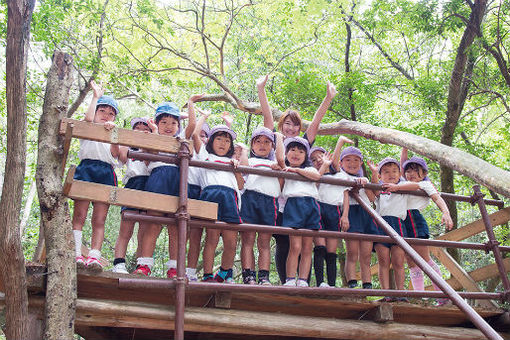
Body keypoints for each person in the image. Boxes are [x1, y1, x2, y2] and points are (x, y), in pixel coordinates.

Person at [257, 74, 337, 284]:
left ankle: (303, 282)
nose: (291, 129)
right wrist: (261, 90)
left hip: (302, 200)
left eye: (295, 125)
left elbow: (316, 123)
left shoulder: (303, 144)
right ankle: (287, 281)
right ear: (281, 125)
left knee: (305, 246)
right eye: (287, 124)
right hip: (281, 200)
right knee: (285, 243)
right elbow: (266, 117)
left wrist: (328, 98)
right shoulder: (275, 140)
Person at [133, 96, 198, 276]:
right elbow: (149, 155)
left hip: (178, 181)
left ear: (178, 126)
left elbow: (192, 126)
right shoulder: (153, 139)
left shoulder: (180, 139)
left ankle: (175, 267)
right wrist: (154, 132)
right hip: (158, 178)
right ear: (157, 124)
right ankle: (144, 264)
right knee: (153, 223)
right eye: (164, 122)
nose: (169, 126)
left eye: (173, 123)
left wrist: (190, 103)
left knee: (176, 226)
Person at [387, 148, 453, 304]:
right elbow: (403, 164)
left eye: (416, 171)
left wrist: (446, 213)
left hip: (415, 220)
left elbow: (438, 199)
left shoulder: (425, 184)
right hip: (402, 221)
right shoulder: (404, 182)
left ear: (423, 174)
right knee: (410, 261)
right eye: (408, 171)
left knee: (424, 260)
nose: (411, 174)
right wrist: (403, 146)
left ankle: (443, 296)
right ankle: (419, 296)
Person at [72, 81, 120, 271]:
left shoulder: (113, 132)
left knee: (99, 219)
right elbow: (87, 118)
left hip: (106, 172)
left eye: (111, 113)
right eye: (103, 111)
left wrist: (114, 133)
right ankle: (76, 252)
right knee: (80, 214)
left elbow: (116, 154)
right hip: (86, 169)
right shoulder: (88, 128)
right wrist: (95, 97)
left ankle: (94, 256)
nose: (106, 116)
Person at [192, 123, 245, 283]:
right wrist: (204, 116)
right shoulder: (205, 156)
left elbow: (241, 185)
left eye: (227, 141)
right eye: (219, 139)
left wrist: (236, 168)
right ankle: (208, 274)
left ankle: (223, 272)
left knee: (231, 241)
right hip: (211, 195)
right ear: (211, 141)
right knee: (212, 238)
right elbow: (195, 134)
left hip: (230, 198)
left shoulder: (232, 162)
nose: (223, 143)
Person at [239, 127, 284, 285]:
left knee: (264, 241)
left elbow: (281, 160)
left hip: (269, 201)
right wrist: (244, 151)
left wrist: (278, 137)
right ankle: (248, 274)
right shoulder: (250, 161)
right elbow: (243, 168)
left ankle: (263, 276)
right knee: (248, 239)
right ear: (252, 145)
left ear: (272, 146)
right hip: (250, 198)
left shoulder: (275, 163)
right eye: (257, 141)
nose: (262, 145)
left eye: (266, 142)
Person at [309, 136, 353, 287]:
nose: (318, 161)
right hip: (318, 209)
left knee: (331, 251)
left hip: (334, 211)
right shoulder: (316, 176)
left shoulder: (340, 175)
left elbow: (346, 197)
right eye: (313, 160)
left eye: (320, 156)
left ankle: (332, 284)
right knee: (320, 247)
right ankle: (321, 282)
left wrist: (345, 216)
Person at [279, 137, 322, 287]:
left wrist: (296, 170)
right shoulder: (284, 167)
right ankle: (290, 278)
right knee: (295, 246)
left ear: (306, 156)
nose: (296, 153)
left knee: (307, 247)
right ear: (286, 153)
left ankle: (303, 280)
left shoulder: (309, 169)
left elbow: (317, 176)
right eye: (292, 150)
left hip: (311, 205)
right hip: (294, 206)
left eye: (301, 151)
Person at [112, 117, 152, 274]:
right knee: (126, 228)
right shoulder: (129, 148)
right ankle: (119, 263)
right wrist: (130, 138)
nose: (141, 131)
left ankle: (141, 265)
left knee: (144, 229)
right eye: (137, 128)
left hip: (149, 185)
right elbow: (122, 157)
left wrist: (148, 141)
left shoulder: (151, 148)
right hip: (133, 182)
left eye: (145, 129)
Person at [368, 157, 408, 301]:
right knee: (383, 261)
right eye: (386, 172)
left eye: (394, 171)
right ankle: (385, 293)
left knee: (398, 261)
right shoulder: (380, 189)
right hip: (381, 224)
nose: (391, 174)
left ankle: (401, 293)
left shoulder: (403, 188)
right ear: (380, 175)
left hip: (398, 225)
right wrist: (373, 173)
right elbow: (373, 189)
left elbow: (416, 185)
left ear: (400, 173)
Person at [340, 147, 376, 289]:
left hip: (366, 213)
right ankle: (352, 283)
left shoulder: (364, 178)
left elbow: (372, 198)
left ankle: (367, 283)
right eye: (348, 159)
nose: (352, 163)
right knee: (352, 252)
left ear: (361, 163)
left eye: (356, 160)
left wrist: (367, 183)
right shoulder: (341, 177)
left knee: (366, 255)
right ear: (341, 162)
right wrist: (345, 216)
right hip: (351, 213)